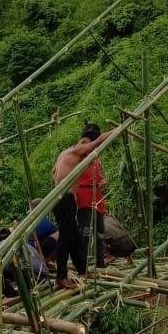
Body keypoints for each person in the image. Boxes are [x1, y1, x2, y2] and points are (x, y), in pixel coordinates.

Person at [52, 123, 115, 289]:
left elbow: (53, 172)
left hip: (63, 197)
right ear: (85, 142)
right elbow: (100, 140)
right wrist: (119, 129)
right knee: (66, 237)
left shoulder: (65, 154)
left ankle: (81, 270)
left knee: (74, 237)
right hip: (64, 198)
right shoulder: (78, 149)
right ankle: (61, 276)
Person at [75, 136, 107, 268]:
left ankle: (100, 261)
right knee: (85, 231)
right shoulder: (77, 160)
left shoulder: (96, 159)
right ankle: (83, 263)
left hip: (97, 195)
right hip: (84, 195)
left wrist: (104, 181)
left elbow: (102, 177)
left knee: (100, 231)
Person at [29, 198, 58, 265]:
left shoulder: (38, 221)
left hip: (35, 250)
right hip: (35, 251)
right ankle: (48, 260)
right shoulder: (42, 221)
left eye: (30, 208)